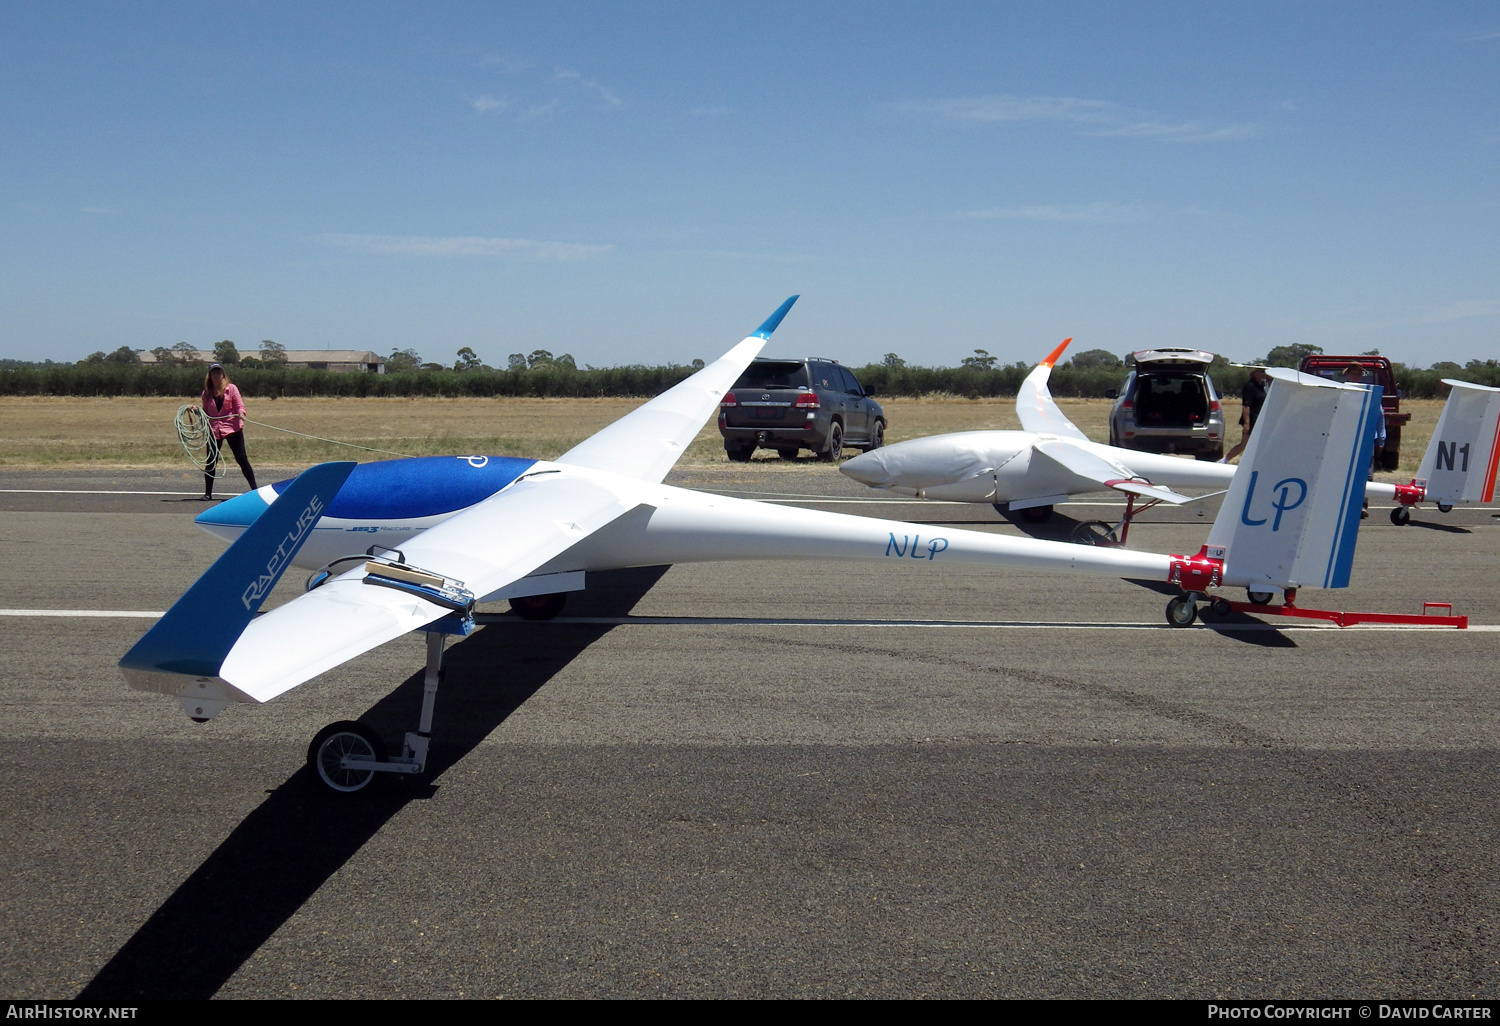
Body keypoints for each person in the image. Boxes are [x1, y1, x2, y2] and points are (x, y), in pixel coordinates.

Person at [200, 363, 257, 500]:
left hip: (233, 428)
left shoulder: (231, 389)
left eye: (219, 372)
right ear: (210, 376)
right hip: (214, 430)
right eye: (214, 373)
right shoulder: (206, 393)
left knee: (241, 459)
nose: (216, 375)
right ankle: (208, 493)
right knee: (211, 461)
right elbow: (206, 412)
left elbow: (239, 405)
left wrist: (241, 413)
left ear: (223, 374)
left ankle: (255, 490)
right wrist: (196, 411)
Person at [1341, 363, 1385, 517]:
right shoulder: (1341, 392)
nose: (1356, 377)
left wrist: (1381, 439)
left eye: (1358, 375)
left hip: (1366, 439)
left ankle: (1362, 505)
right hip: (1345, 437)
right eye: (1353, 374)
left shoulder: (1369, 393)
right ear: (1347, 375)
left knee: (1366, 473)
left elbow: (1380, 417)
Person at [1222, 366, 1269, 463]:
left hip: (1258, 420)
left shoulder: (1261, 386)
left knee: (1256, 444)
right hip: (1251, 420)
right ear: (1254, 373)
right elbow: (1246, 406)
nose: (1263, 374)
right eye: (1261, 371)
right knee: (1244, 444)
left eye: (1264, 371)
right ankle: (1224, 460)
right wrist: (1247, 423)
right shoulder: (1250, 386)